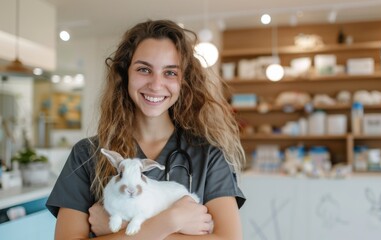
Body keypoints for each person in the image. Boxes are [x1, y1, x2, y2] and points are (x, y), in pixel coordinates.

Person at [46, 19, 246, 239]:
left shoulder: (209, 156)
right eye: (144, 69)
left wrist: (122, 228)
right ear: (125, 75)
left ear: (184, 81)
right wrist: (170, 222)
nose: (156, 84)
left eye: (170, 72)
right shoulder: (87, 154)